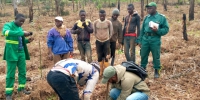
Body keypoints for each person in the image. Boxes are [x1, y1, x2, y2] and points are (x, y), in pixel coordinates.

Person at [2, 13, 34, 100]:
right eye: (20, 21)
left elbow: (20, 41)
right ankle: (8, 93)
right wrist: (22, 32)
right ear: (15, 18)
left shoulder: (20, 28)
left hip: (21, 52)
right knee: (11, 73)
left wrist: (28, 40)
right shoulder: (8, 25)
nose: (21, 23)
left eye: (23, 22)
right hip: (11, 53)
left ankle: (21, 88)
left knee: (22, 71)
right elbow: (5, 32)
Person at [138, 2, 169, 78]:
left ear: (155, 8)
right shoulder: (146, 18)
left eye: (150, 8)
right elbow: (142, 30)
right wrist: (139, 40)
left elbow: (166, 29)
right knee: (143, 55)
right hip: (145, 39)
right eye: (148, 8)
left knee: (156, 56)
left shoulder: (161, 18)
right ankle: (143, 70)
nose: (148, 10)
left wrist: (157, 30)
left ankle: (157, 71)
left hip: (155, 39)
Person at [93, 10, 113, 77]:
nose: (102, 17)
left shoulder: (108, 22)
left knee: (106, 56)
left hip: (106, 41)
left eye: (103, 16)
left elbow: (111, 32)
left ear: (105, 15)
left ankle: (106, 71)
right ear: (99, 15)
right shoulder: (95, 22)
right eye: (101, 16)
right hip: (98, 41)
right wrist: (97, 38)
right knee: (99, 56)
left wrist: (107, 38)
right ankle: (100, 70)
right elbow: (94, 31)